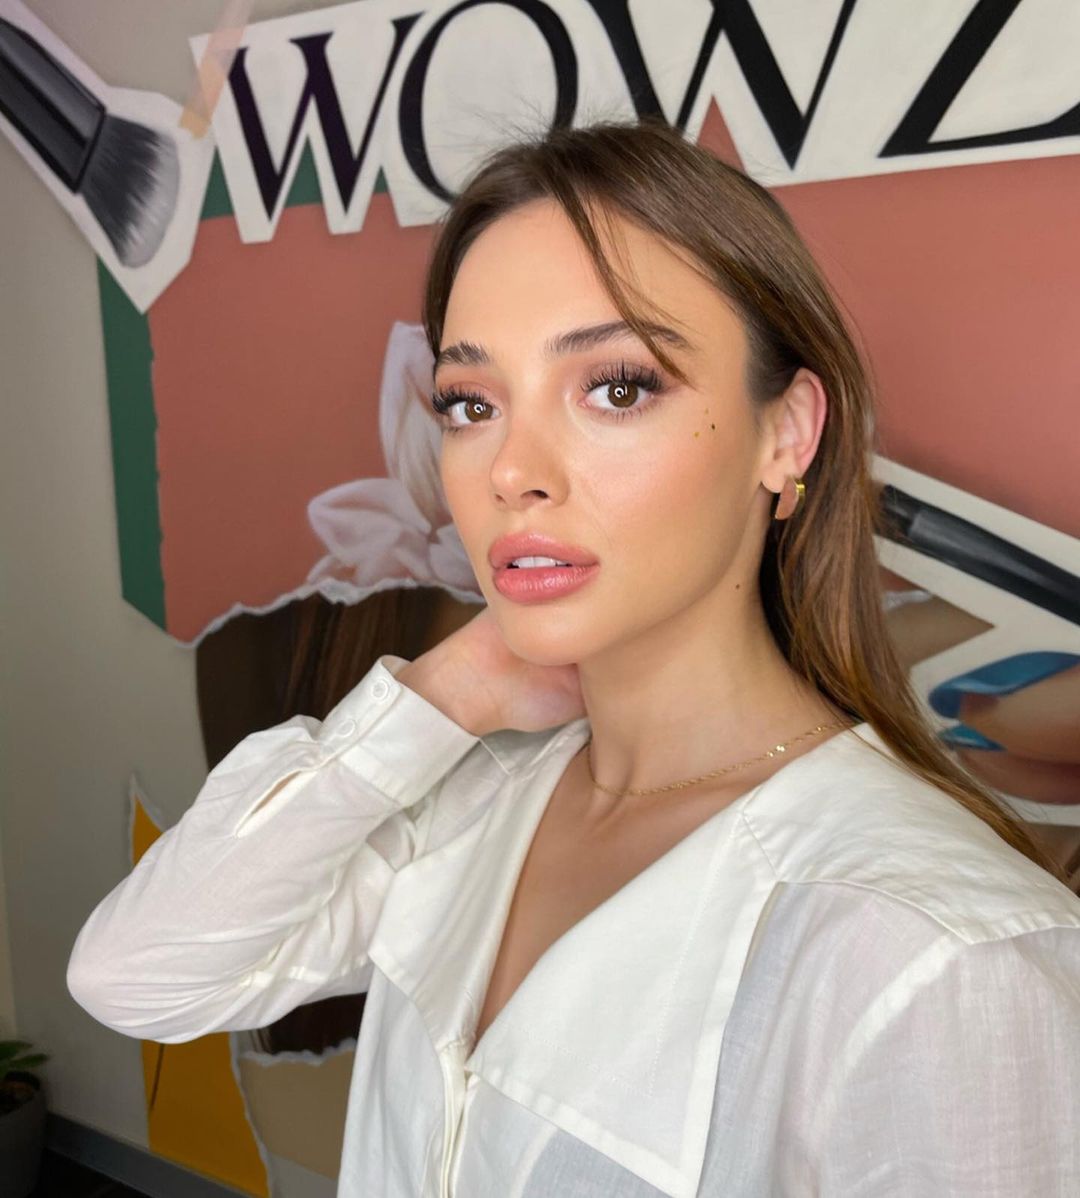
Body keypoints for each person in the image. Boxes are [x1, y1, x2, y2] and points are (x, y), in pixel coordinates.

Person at [67, 118, 1080, 1196]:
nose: (511, 471)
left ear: (786, 433)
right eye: (471, 403)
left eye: (617, 387)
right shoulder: (469, 807)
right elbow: (138, 976)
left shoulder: (942, 954)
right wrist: (447, 692)